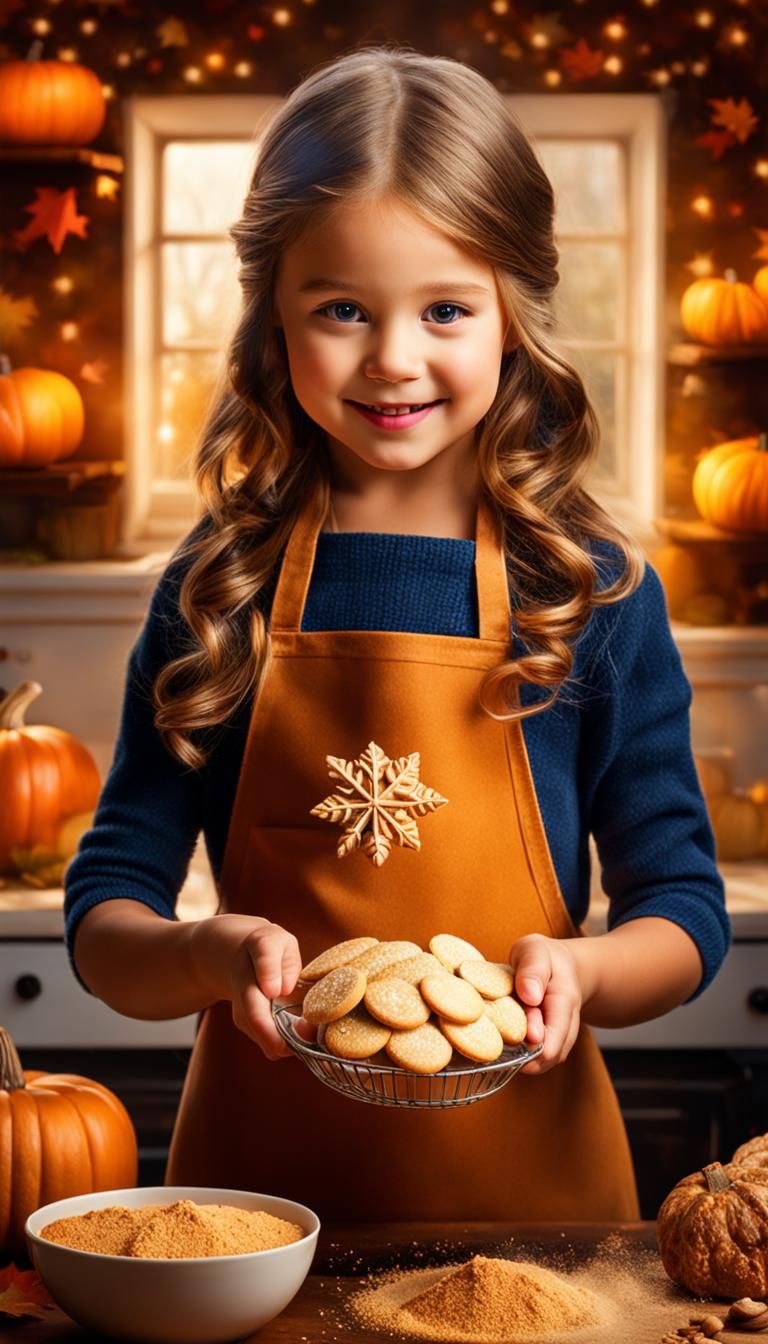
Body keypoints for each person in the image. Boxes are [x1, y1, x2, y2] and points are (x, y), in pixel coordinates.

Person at [64, 44, 730, 1222]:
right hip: (254, 1217)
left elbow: (681, 912)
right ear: (274, 313)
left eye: (445, 309)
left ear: (516, 314)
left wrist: (580, 973)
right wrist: (208, 958)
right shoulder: (218, 587)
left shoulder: (591, 590)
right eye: (340, 310)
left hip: (538, 1218)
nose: (394, 358)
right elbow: (109, 914)